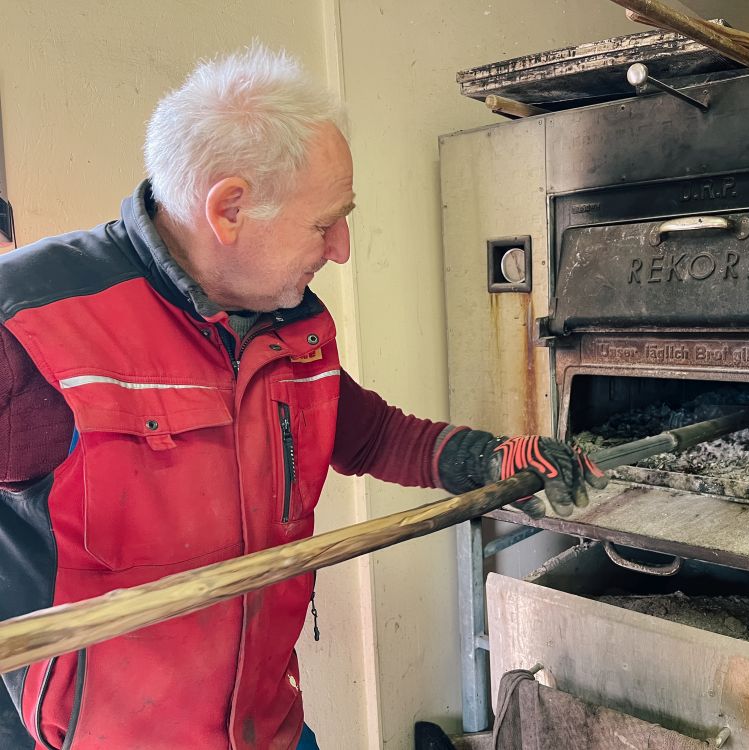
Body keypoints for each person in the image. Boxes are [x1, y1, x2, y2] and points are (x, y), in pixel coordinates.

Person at [0, 46, 605, 750]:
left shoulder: (288, 320)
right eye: (325, 223)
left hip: (269, 728)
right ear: (227, 209)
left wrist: (490, 459)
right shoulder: (30, 324)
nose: (342, 248)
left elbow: (365, 432)